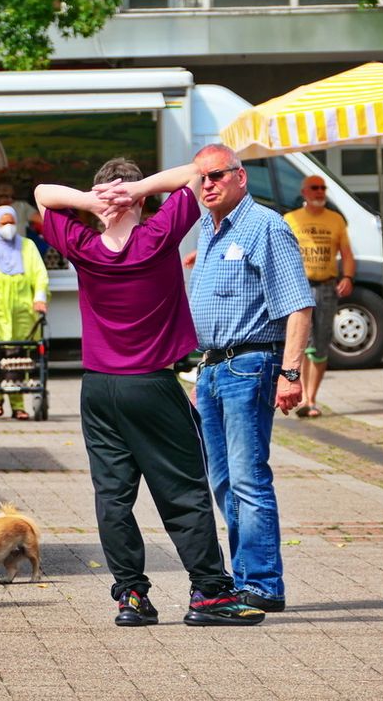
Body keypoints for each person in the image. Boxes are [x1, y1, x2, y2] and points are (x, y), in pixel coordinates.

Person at [34, 159, 264, 628]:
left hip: (98, 388)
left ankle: (131, 597)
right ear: (141, 202)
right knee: (182, 491)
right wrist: (135, 189)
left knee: (113, 497)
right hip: (152, 385)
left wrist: (90, 201)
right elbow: (197, 171)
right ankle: (210, 594)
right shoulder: (158, 238)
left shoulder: (84, 246)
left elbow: (41, 193)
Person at [188, 144, 314, 613]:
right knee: (222, 480)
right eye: (201, 178)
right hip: (214, 367)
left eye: (217, 175)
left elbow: (298, 305)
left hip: (251, 364)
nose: (207, 185)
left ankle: (262, 584)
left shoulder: (265, 227)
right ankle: (245, 577)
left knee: (247, 478)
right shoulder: (208, 227)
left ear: (242, 177)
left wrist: (290, 372)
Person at [283, 175, 356, 418]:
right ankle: (303, 397)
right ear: (304, 192)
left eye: (323, 188)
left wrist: (348, 277)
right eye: (314, 188)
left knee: (321, 342)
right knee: (301, 342)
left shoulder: (335, 220)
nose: (319, 192)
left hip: (326, 286)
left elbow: (346, 253)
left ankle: (311, 398)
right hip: (299, 286)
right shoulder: (291, 219)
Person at [0, 205, 49, 420]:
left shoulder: (28, 247)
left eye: (11, 222)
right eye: (3, 223)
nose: (8, 227)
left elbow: (40, 275)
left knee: (20, 358)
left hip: (24, 314)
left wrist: (40, 298)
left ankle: (18, 404)